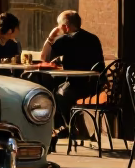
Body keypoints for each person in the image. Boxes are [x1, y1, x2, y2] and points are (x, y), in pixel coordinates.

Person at [41, 10, 105, 139]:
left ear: (65, 27)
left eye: (59, 25)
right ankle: (72, 127)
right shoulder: (93, 38)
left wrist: (51, 37)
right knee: (58, 89)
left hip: (78, 86)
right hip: (95, 86)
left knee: (58, 94)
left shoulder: (67, 39)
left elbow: (44, 57)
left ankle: (69, 127)